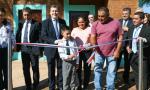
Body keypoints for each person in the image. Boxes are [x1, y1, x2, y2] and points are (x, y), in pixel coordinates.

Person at [90, 7, 123, 90]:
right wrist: (94, 47)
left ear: (108, 15)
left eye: (102, 16)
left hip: (112, 52)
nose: (100, 18)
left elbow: (120, 37)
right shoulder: (95, 24)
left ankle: (110, 88)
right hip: (99, 52)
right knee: (97, 71)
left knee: (111, 72)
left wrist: (117, 51)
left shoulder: (116, 23)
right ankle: (98, 88)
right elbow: (93, 36)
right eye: (99, 16)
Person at [41, 5, 66, 90]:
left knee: (60, 69)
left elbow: (66, 32)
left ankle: (60, 86)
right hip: (50, 50)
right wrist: (54, 41)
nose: (54, 12)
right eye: (53, 11)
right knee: (51, 70)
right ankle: (51, 87)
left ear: (58, 12)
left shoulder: (63, 22)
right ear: (50, 12)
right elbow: (43, 36)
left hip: (61, 50)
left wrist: (64, 38)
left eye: (56, 11)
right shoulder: (45, 22)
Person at [16, 7, 41, 90]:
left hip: (33, 49)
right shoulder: (20, 23)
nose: (26, 16)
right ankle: (28, 85)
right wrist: (16, 46)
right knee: (25, 68)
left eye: (28, 15)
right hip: (24, 49)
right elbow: (18, 35)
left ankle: (36, 85)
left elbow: (39, 37)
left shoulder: (36, 24)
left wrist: (39, 48)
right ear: (23, 15)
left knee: (35, 67)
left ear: (31, 14)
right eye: (24, 15)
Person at [126, 12, 150, 90]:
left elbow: (149, 40)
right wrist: (128, 46)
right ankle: (138, 87)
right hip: (133, 55)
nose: (134, 20)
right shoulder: (131, 27)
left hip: (143, 56)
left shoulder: (147, 28)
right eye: (133, 18)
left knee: (143, 74)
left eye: (136, 19)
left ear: (142, 20)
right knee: (136, 74)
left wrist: (144, 40)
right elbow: (128, 39)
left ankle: (144, 88)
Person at [71, 16, 92, 89]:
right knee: (78, 69)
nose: (81, 23)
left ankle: (85, 85)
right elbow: (70, 40)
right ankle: (79, 85)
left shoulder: (89, 29)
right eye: (79, 22)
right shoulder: (74, 30)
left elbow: (93, 39)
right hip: (78, 52)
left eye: (82, 22)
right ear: (77, 22)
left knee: (87, 69)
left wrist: (89, 44)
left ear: (85, 22)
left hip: (87, 52)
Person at [116, 7, 133, 84]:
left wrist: (128, 29)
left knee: (127, 64)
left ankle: (126, 80)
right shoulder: (118, 21)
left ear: (129, 14)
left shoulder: (133, 21)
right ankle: (114, 79)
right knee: (116, 63)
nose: (124, 15)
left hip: (128, 46)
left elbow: (134, 32)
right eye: (123, 13)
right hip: (118, 46)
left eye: (126, 14)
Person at [0, 7, 15, 90]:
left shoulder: (8, 25)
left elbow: (12, 37)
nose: (0, 17)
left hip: (6, 51)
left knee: (6, 71)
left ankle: (7, 87)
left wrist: (13, 46)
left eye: (2, 15)